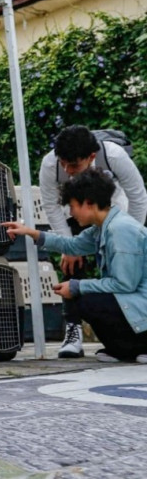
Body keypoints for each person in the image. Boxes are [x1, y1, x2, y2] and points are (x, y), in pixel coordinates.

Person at [4, 169, 147, 363]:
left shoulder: (121, 230)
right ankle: (124, 349)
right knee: (81, 295)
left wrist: (78, 286)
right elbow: (72, 245)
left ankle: (137, 346)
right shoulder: (101, 228)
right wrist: (30, 232)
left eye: (72, 206)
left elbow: (125, 285)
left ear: (88, 203)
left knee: (85, 297)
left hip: (141, 304)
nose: (70, 213)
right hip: (137, 304)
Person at [38, 125, 147, 358]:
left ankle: (135, 335)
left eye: (74, 165)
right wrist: (67, 244)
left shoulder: (114, 156)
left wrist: (130, 236)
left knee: (120, 276)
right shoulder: (50, 165)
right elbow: (51, 206)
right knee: (72, 267)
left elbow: (138, 195)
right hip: (76, 213)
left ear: (91, 157)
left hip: (115, 212)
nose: (67, 170)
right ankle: (73, 331)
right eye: (63, 164)